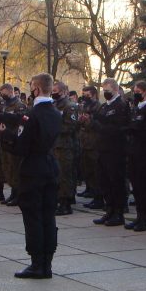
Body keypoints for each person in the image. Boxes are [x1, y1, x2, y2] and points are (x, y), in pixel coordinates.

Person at [0, 72, 61, 279]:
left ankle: (37, 264)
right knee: (48, 216)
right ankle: (47, 263)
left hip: (33, 168)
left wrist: (6, 134)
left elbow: (21, 147)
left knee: (33, 216)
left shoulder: (33, 115)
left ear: (36, 88)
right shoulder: (55, 112)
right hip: (50, 166)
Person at [91, 77, 130, 227]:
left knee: (116, 182)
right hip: (102, 148)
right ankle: (109, 210)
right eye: (103, 90)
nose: (104, 93)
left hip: (115, 150)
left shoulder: (120, 105)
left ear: (115, 90)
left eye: (107, 90)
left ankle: (118, 213)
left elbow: (117, 128)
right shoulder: (104, 106)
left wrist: (98, 125)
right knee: (104, 182)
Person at [125, 80, 146, 231]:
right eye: (134, 91)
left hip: (144, 153)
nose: (135, 94)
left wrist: (135, 129)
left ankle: (144, 219)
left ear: (145, 91)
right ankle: (139, 217)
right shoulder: (136, 108)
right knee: (137, 187)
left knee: (144, 187)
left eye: (138, 91)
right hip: (134, 151)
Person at [52, 80, 79, 216]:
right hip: (55, 145)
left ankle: (66, 203)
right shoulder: (54, 105)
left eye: (55, 91)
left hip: (65, 146)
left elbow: (71, 126)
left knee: (65, 175)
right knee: (56, 175)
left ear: (62, 92)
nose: (53, 93)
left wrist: (54, 127)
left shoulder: (70, 106)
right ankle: (58, 200)